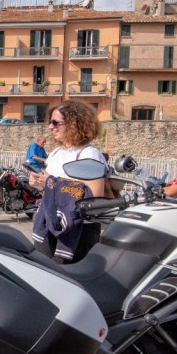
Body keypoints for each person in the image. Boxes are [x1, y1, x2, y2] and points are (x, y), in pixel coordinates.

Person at [28, 101, 106, 263]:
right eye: (50, 122)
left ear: (74, 124)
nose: (50, 127)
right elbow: (53, 194)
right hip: (51, 225)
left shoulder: (89, 154)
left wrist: (53, 184)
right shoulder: (56, 153)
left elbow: (95, 198)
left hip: (78, 231)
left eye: (56, 122)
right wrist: (41, 185)